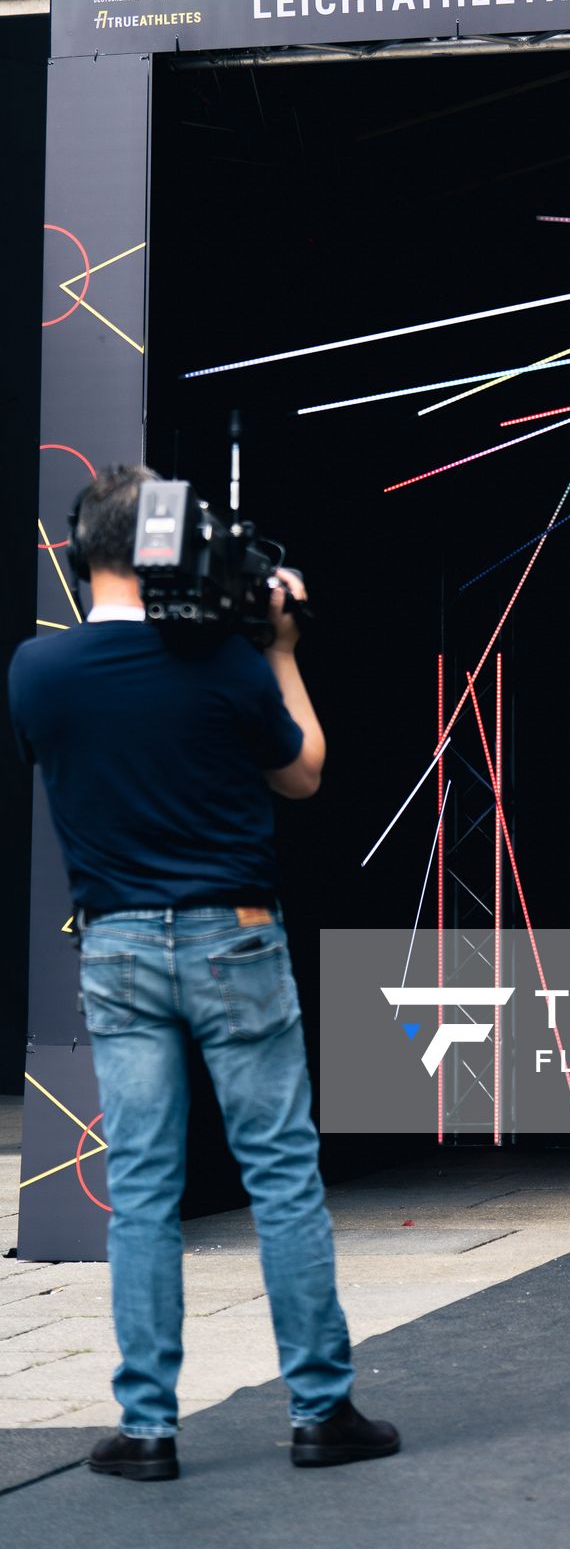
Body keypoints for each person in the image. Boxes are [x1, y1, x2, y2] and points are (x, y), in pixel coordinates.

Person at [8, 465, 398, 1482]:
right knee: (279, 1172)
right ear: (165, 547)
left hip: (118, 941)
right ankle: (321, 1412)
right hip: (235, 936)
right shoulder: (228, 664)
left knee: (141, 1185)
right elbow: (303, 772)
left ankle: (148, 1429)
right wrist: (278, 650)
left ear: (82, 550)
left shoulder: (35, 675)